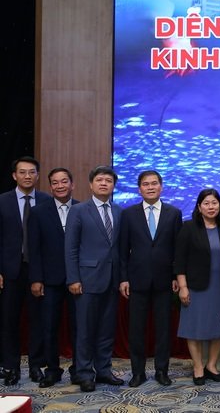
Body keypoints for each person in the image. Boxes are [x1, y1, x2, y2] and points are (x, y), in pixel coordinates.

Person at [119, 170, 183, 387]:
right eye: (146, 184)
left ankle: (162, 371)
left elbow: (177, 249)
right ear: (139, 189)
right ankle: (138, 373)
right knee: (137, 329)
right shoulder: (128, 214)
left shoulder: (174, 213)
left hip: (165, 281)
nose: (150, 187)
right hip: (137, 280)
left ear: (161, 187)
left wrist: (175, 276)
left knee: (163, 329)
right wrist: (123, 278)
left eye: (154, 183)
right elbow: (122, 250)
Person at [64, 165, 124, 392]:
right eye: (99, 180)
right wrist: (73, 278)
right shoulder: (79, 210)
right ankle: (84, 373)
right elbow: (70, 248)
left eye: (108, 180)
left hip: (112, 279)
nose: (104, 183)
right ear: (91, 184)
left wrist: (122, 278)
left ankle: (104, 370)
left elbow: (119, 248)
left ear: (113, 185)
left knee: (107, 329)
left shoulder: (119, 211)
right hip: (86, 280)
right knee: (85, 330)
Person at [0, 156, 51, 385]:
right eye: (22, 172)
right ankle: (10, 366)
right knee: (8, 320)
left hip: (38, 270)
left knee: (37, 320)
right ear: (14, 175)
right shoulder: (2, 201)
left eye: (32, 172)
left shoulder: (46, 201)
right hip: (10, 271)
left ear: (37, 175)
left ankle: (36, 366)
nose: (27, 176)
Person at [174, 188, 220, 386]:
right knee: (195, 327)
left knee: (219, 327)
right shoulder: (189, 228)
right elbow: (179, 260)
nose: (211, 207)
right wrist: (183, 286)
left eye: (214, 203)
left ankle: (212, 365)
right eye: (206, 203)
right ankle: (198, 367)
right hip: (195, 287)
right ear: (199, 207)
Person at [27, 167, 78, 387]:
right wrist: (36, 279)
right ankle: (52, 370)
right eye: (55, 182)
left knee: (79, 327)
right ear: (50, 187)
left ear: (72, 184)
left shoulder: (82, 209)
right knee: (48, 327)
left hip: (77, 279)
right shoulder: (38, 212)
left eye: (64, 181)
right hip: (49, 280)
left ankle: (79, 369)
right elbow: (34, 249)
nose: (60, 186)